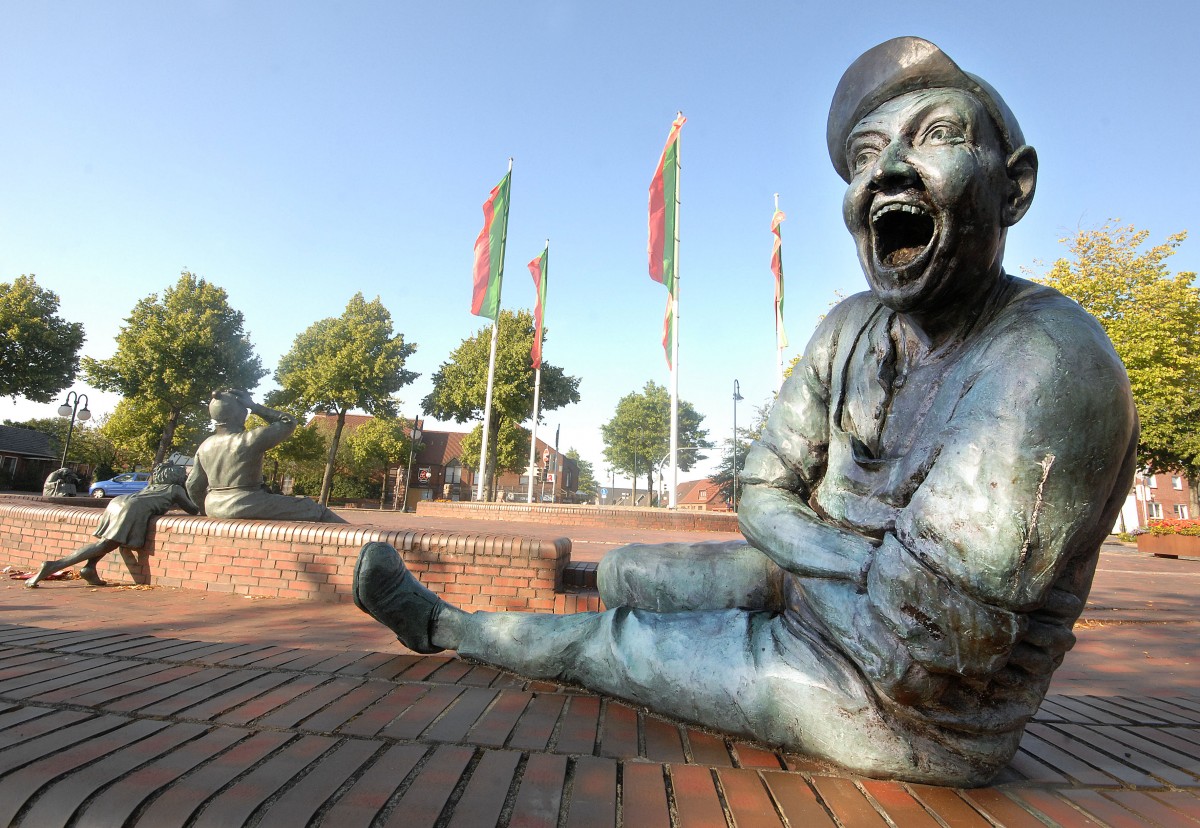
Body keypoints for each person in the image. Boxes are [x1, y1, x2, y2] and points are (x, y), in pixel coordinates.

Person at [352, 37, 1138, 785]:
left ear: (1015, 184)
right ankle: (628, 608)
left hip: (905, 713)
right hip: (819, 593)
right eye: (866, 156)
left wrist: (790, 576)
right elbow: (761, 489)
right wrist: (847, 563)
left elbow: (923, 648)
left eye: (934, 136)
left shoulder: (1052, 365)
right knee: (629, 569)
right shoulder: (850, 328)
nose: (890, 170)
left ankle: (444, 628)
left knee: (621, 644)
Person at [27, 463, 199, 587]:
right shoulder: (174, 489)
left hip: (119, 502)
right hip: (132, 509)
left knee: (105, 542)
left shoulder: (154, 486)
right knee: (105, 544)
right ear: (176, 477)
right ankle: (53, 566)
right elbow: (193, 510)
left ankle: (90, 568)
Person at [187, 389, 345, 522]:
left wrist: (206, 510)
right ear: (239, 415)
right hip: (247, 503)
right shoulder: (249, 439)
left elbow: (193, 486)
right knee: (313, 509)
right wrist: (254, 406)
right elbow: (288, 422)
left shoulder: (204, 446)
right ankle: (363, 543)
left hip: (213, 506)